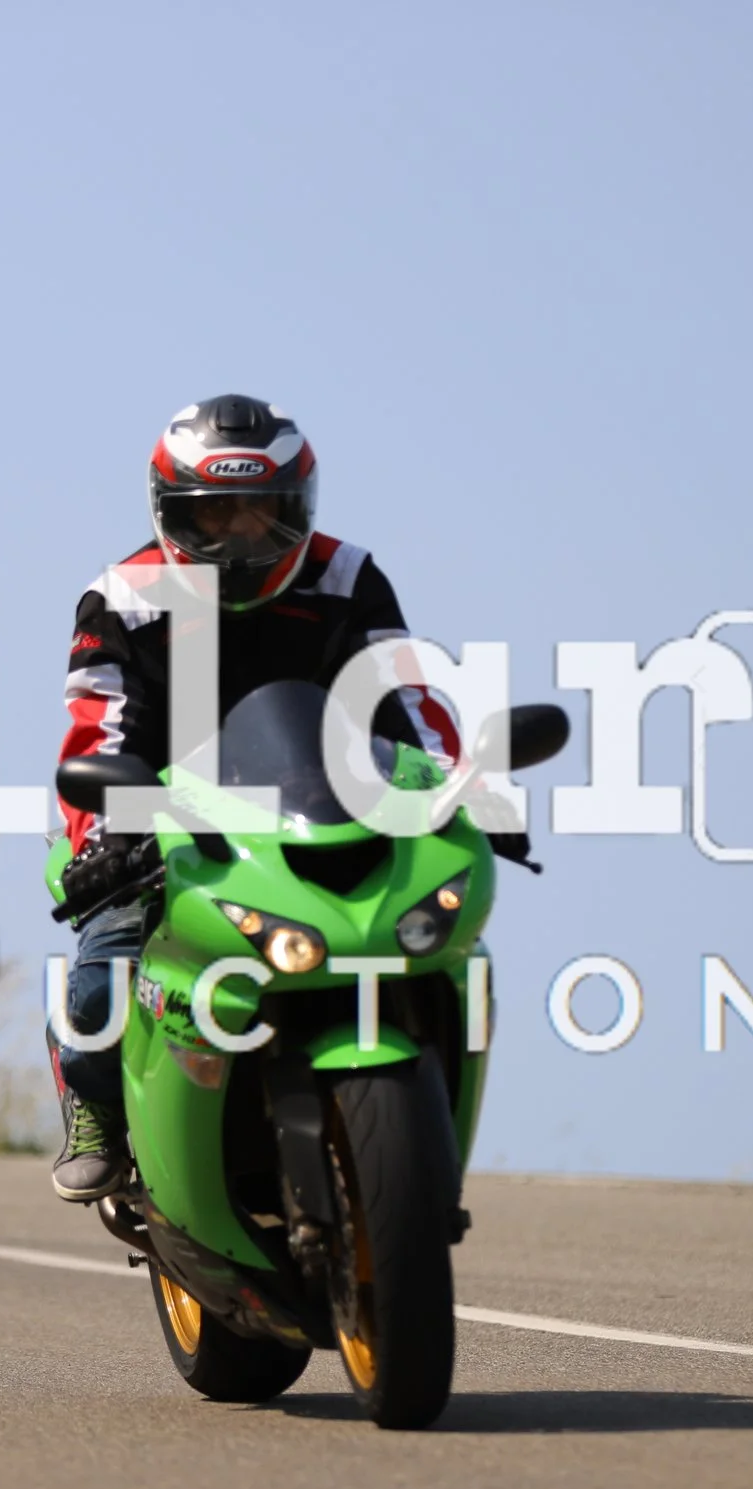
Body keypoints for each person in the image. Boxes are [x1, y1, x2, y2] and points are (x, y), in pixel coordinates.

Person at [48, 394, 463, 1201]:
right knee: (106, 971)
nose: (239, 535)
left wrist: (453, 786)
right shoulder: (123, 595)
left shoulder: (348, 577)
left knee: (436, 944)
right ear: (170, 511)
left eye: (261, 513)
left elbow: (409, 703)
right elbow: (100, 728)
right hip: (163, 816)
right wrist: (106, 833)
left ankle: (412, 1130)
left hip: (322, 808)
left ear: (300, 506)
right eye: (215, 514)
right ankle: (93, 1105)